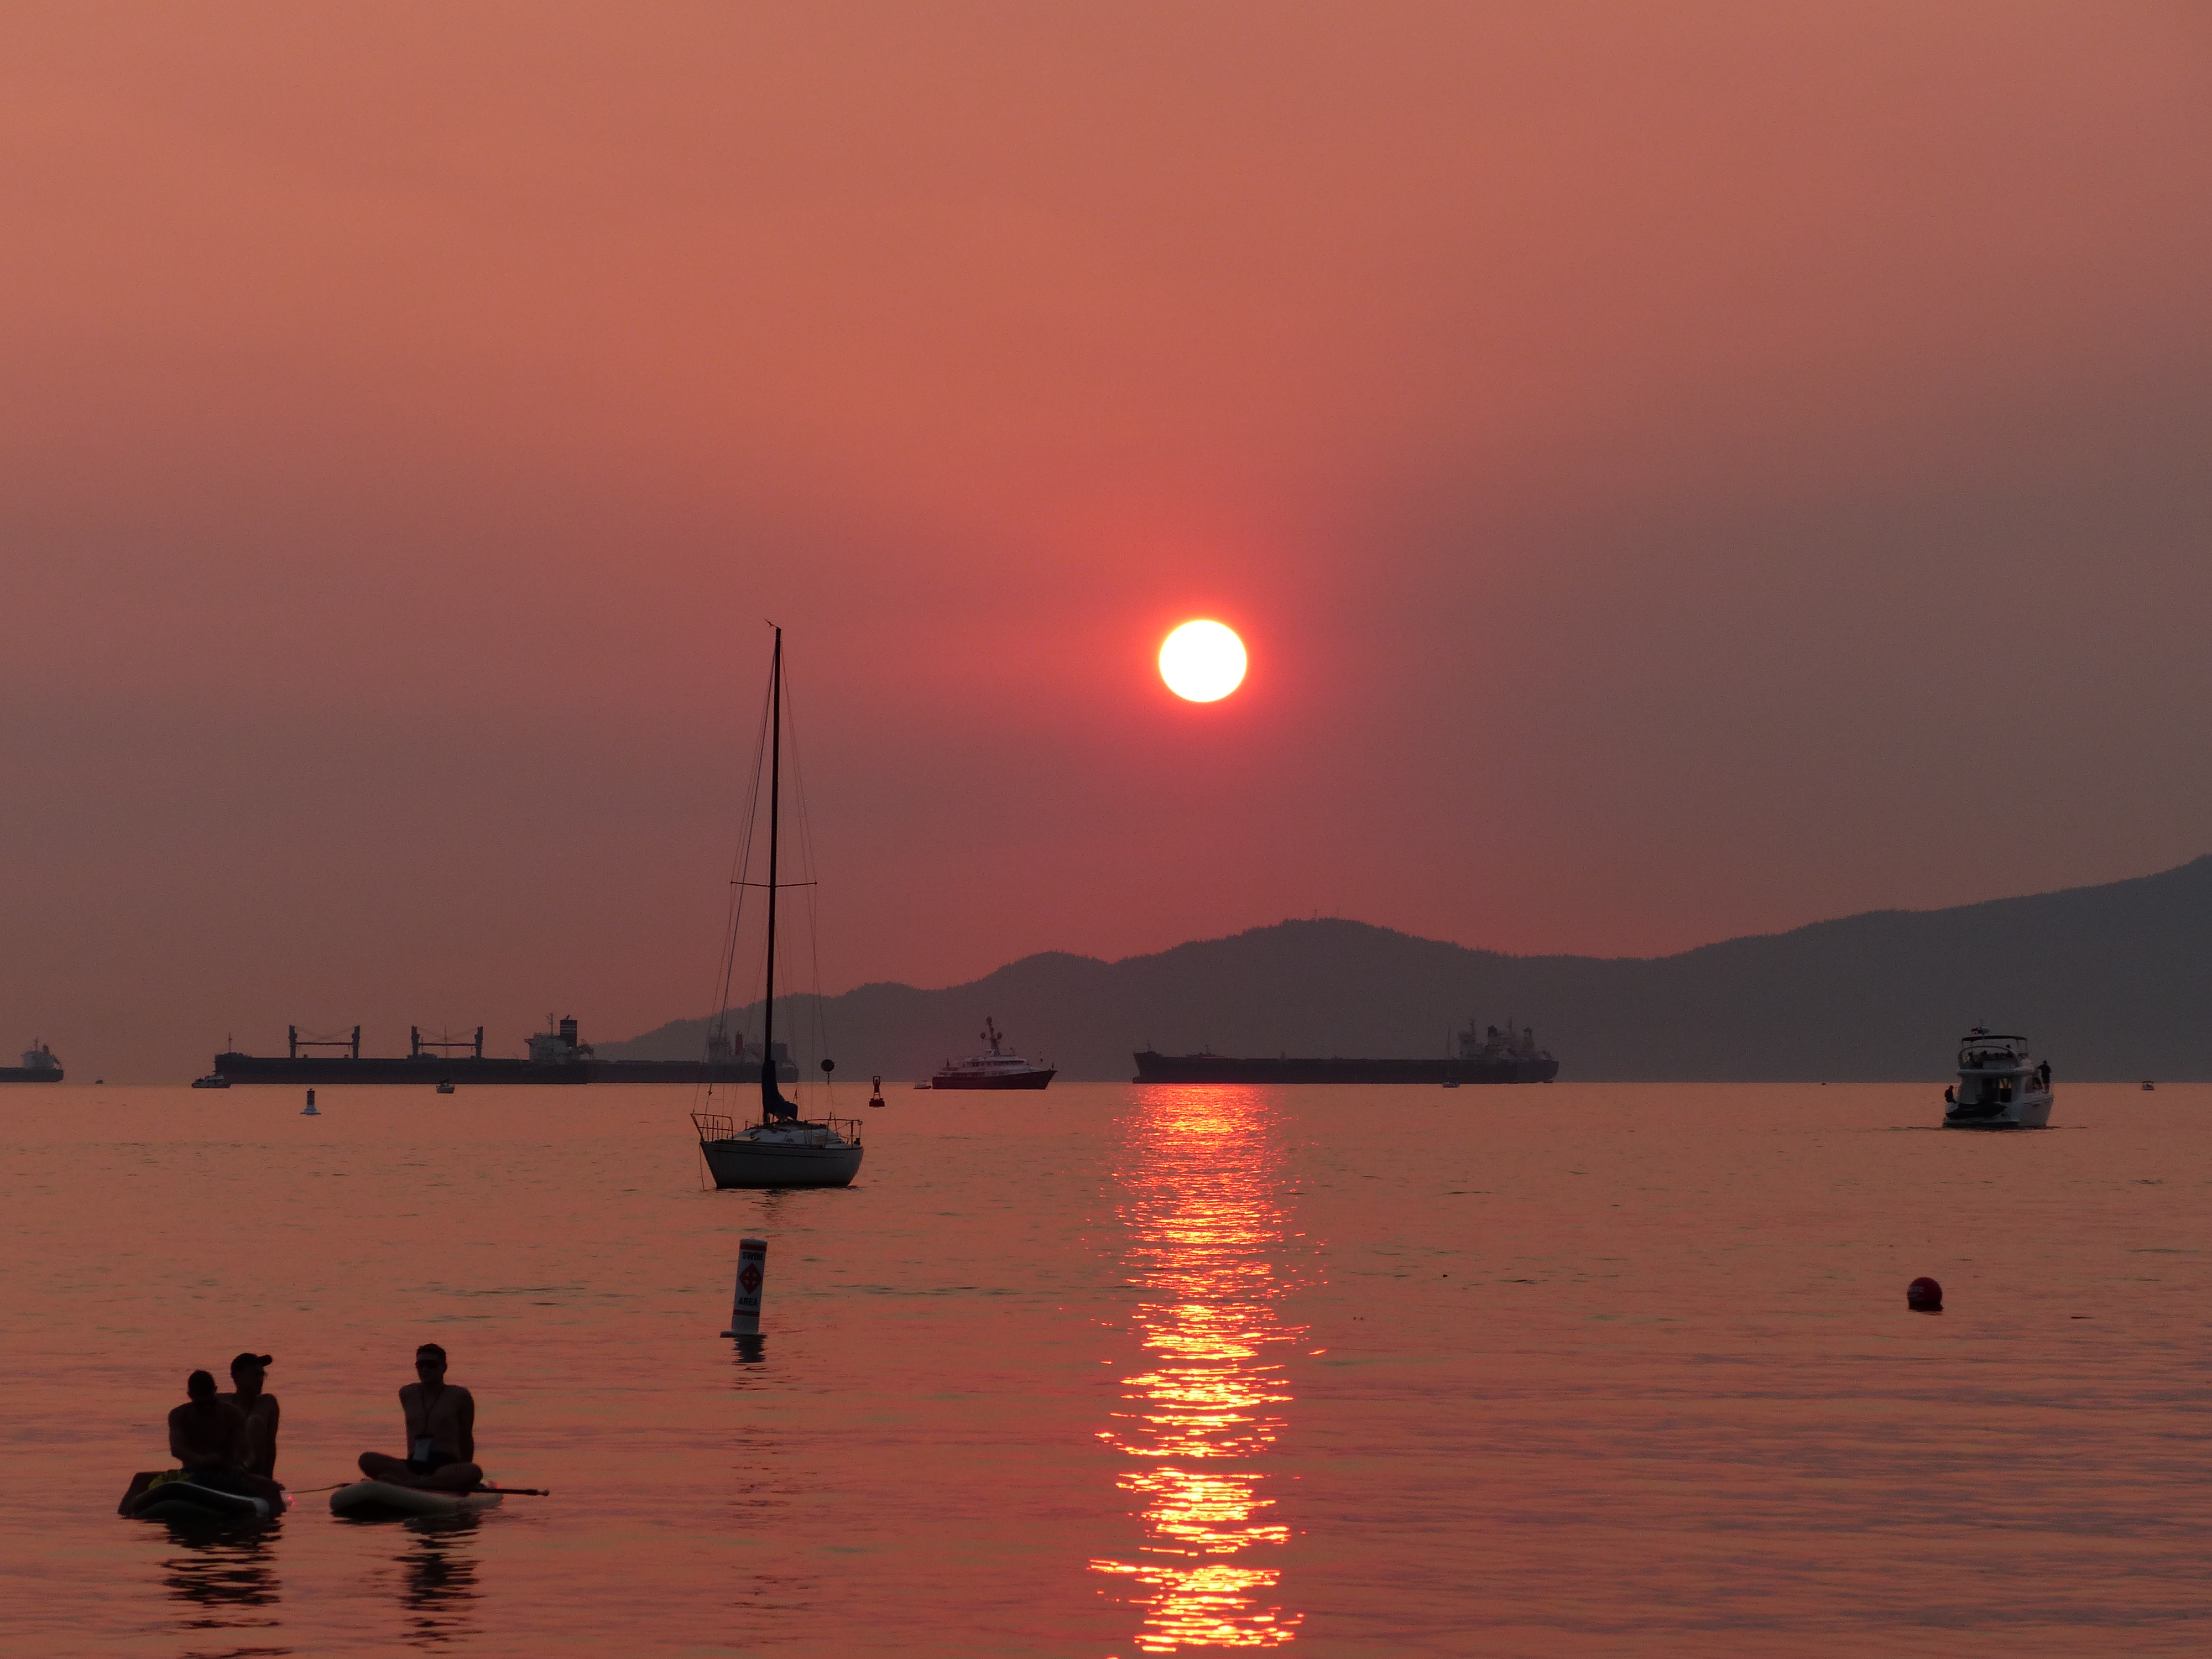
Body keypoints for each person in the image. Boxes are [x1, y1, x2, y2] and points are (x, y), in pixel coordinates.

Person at [357, 1343, 483, 1491]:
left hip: (446, 1466)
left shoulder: (460, 1396)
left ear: (444, 1368)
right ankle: (419, 1482)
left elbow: (466, 1438)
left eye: (431, 1365)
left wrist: (464, 1475)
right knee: (367, 1459)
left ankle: (413, 1484)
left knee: (473, 1471)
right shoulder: (407, 1393)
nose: (425, 1370)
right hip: (414, 1464)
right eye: (420, 1365)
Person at [219, 1352, 281, 1478]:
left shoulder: (268, 1403)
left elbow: (270, 1446)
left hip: (254, 1472)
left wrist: (269, 1479)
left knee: (255, 1422)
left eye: (262, 1375)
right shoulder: (221, 1401)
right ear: (238, 1376)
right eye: (255, 1374)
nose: (260, 1380)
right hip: (226, 1467)